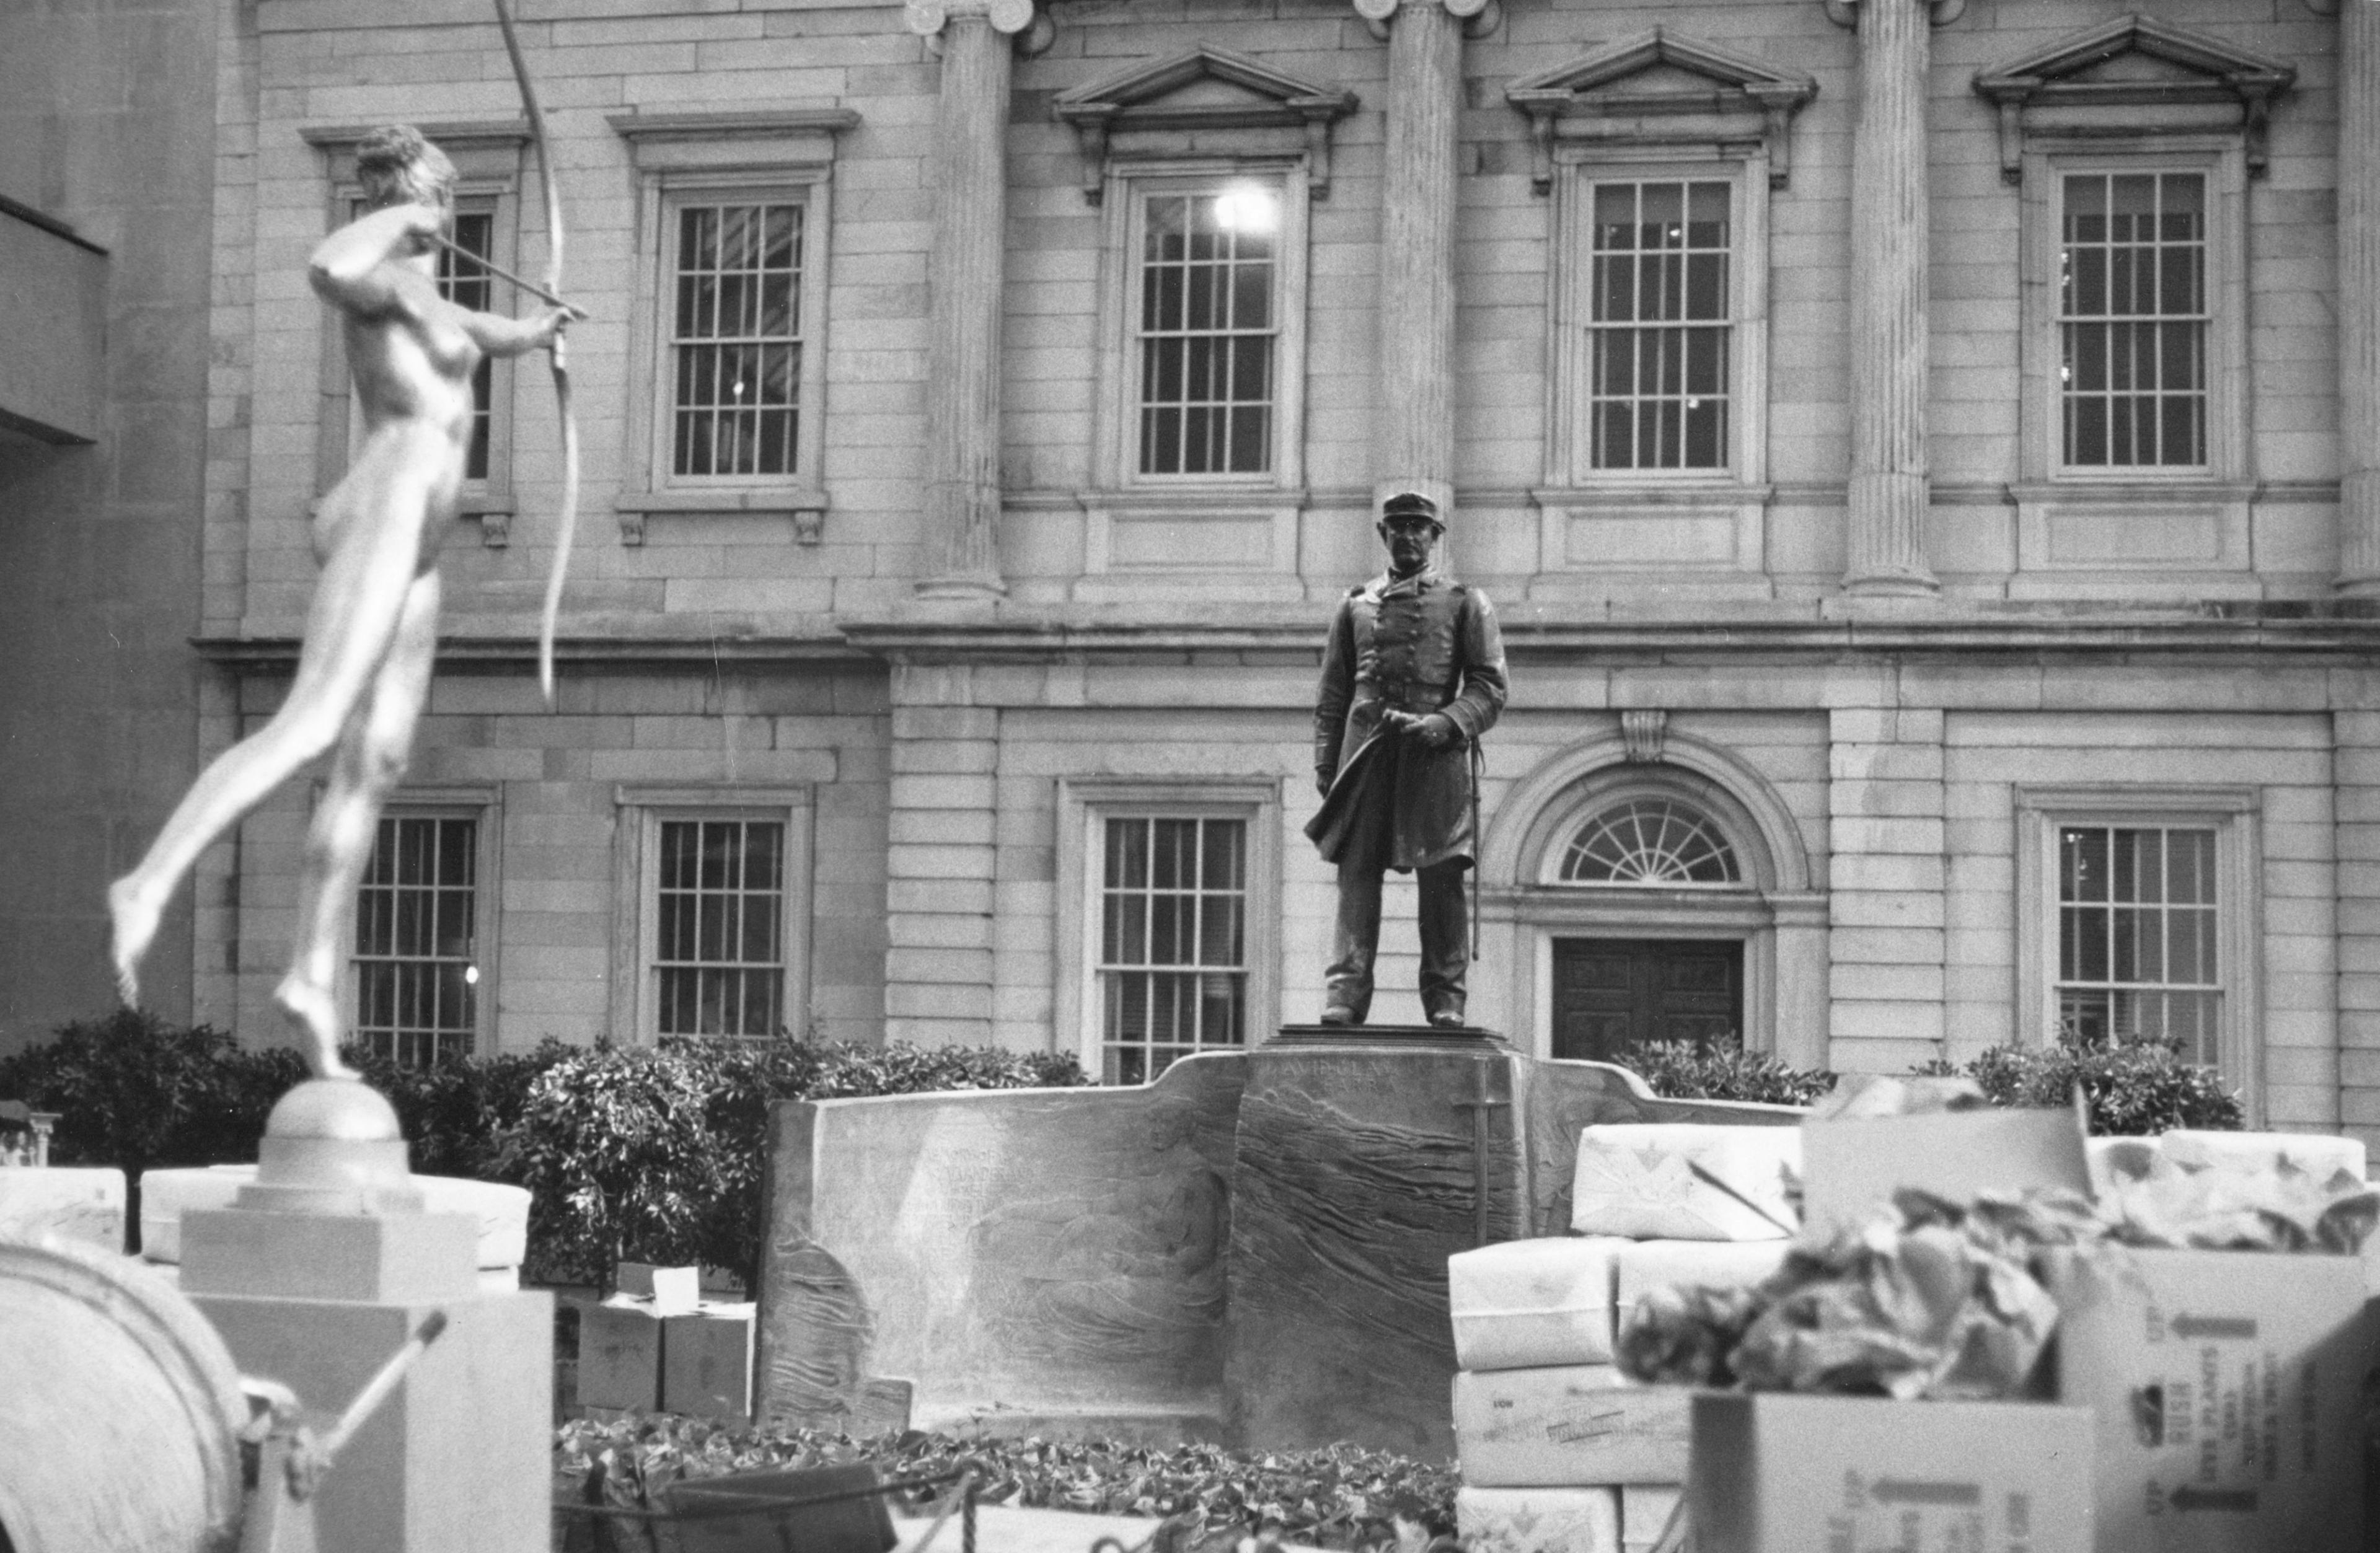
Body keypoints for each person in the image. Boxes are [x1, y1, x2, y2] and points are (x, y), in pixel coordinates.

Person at [107, 125, 573, 1080]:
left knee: (378, 761)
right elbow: (328, 263)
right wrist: (403, 208)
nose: (445, 216)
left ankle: (311, 975)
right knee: (314, 725)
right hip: (387, 507)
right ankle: (147, 881)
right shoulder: (370, 274)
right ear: (409, 201)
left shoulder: (421, 294)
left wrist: (532, 335)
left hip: (423, 553)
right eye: (436, 197)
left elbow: (470, 333)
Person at [1306, 491, 1509, 1028]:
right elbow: (1332, 697)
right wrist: (1328, 769)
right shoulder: (1354, 605)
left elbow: (1489, 687)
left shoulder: (1467, 603)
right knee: (1358, 875)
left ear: (1436, 536)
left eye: (1420, 527)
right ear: (1383, 534)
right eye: (1398, 527)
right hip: (1365, 754)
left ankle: (1446, 997)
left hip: (1434, 757)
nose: (1409, 536)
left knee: (1440, 876)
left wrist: (1443, 725)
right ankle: (1346, 994)